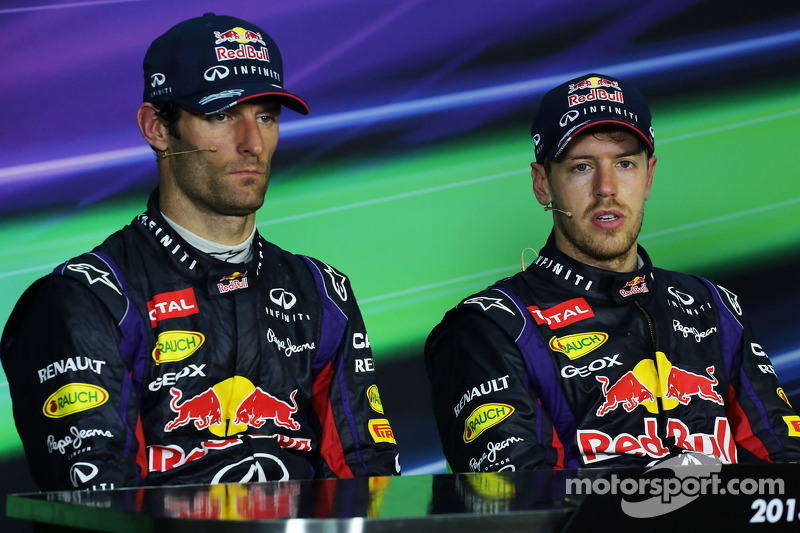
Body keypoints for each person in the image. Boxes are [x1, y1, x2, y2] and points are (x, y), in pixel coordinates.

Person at [1, 13, 400, 491]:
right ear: (156, 128)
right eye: (221, 114)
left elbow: (367, 479)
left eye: (266, 116)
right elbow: (98, 505)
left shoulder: (322, 292)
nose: (252, 143)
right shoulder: (85, 300)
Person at [424, 73, 800, 471]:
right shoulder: (491, 328)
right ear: (543, 185)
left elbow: (784, 468)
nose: (607, 188)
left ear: (648, 176)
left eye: (624, 163)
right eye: (582, 166)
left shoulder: (715, 307)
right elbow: (521, 506)